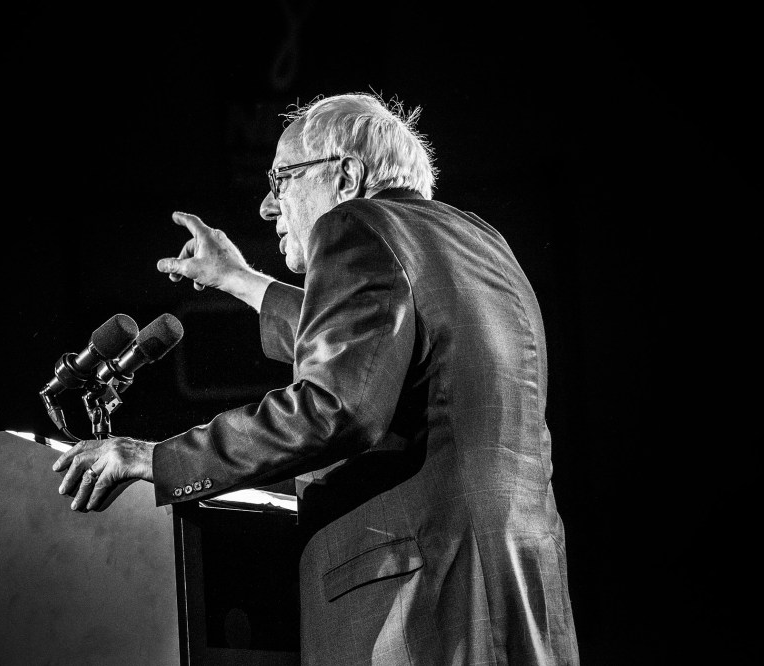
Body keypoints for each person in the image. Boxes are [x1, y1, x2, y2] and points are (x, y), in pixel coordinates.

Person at [52, 92, 580, 664]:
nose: (266, 207)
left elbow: (335, 407)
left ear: (347, 175)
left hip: (418, 606)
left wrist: (154, 459)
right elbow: (379, 344)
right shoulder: (481, 242)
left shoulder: (353, 226)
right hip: (519, 594)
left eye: (282, 179)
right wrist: (239, 279)